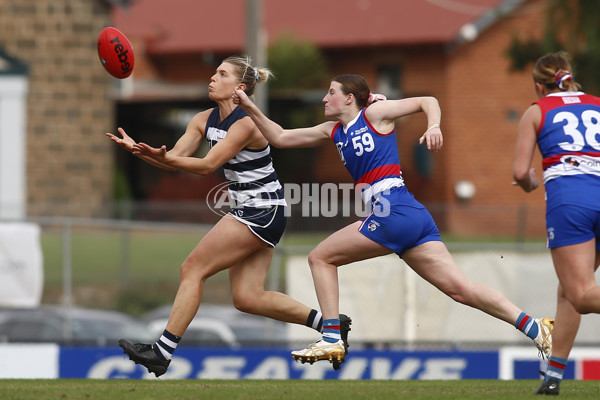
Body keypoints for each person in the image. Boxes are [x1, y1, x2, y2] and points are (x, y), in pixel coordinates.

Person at [233, 73, 554, 368]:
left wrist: (434, 126)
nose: (324, 99)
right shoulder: (333, 130)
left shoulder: (374, 114)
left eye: (331, 92)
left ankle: (331, 336)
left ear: (349, 99)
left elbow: (428, 101)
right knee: (460, 289)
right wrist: (249, 105)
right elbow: (280, 137)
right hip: (409, 215)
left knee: (320, 258)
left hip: (393, 211)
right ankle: (533, 326)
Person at [107, 56, 351, 377]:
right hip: (260, 210)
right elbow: (175, 160)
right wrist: (144, 152)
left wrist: (159, 157)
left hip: (260, 209)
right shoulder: (202, 119)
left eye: (221, 74)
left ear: (239, 88)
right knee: (248, 298)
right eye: (214, 72)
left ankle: (162, 351)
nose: (212, 78)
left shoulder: (247, 123)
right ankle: (330, 324)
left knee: (193, 268)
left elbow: (206, 165)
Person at [512, 51, 600, 396]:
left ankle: (553, 376)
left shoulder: (537, 110)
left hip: (572, 200)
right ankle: (553, 377)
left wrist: (531, 182)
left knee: (580, 295)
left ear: (539, 85)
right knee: (570, 291)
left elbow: (521, 173)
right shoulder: (597, 104)